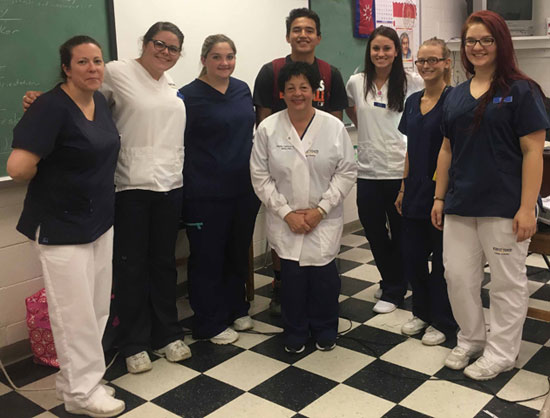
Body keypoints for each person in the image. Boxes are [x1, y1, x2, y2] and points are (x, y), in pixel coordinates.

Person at [24, 22, 191, 374]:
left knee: (163, 263)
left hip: (169, 185)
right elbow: (77, 97)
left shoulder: (171, 84)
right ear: (144, 44)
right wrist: (42, 101)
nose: (165, 52)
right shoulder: (116, 71)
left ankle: (166, 334)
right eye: (159, 44)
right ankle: (133, 342)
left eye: (173, 48)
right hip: (130, 187)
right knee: (131, 269)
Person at [8, 36, 125, 417]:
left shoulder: (100, 102)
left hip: (98, 220)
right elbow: (18, 168)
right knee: (72, 314)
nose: (93, 68)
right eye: (83, 62)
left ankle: (77, 381)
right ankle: (81, 394)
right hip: (60, 226)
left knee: (94, 310)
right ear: (66, 68)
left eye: (98, 61)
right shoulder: (49, 107)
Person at [431, 11, 549, 381]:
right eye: (470, 41)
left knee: (506, 283)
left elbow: (534, 151)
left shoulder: (521, 90)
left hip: (504, 206)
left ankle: (501, 353)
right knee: (458, 277)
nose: (477, 47)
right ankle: (470, 338)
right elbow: (447, 148)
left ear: (500, 43)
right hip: (461, 204)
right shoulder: (455, 96)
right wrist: (438, 197)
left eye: (485, 40)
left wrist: (527, 208)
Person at [250, 61, 357, 353]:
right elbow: (260, 175)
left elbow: (346, 171)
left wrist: (320, 210)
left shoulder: (333, 127)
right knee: (293, 279)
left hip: (323, 218)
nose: (298, 93)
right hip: (286, 220)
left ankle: (325, 328)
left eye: (304, 87)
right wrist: (286, 213)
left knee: (324, 279)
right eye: (290, 88)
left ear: (315, 91)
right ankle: (295, 330)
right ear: (282, 94)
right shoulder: (269, 129)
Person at [253, 7, 348, 315]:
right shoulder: (271, 71)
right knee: (286, 242)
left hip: (322, 177)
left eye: (309, 30)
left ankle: (320, 306)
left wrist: (320, 207)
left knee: (321, 262)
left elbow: (333, 127)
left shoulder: (331, 73)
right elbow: (265, 123)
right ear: (288, 36)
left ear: (318, 37)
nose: (303, 35)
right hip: (282, 167)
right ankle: (282, 287)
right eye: (297, 29)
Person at [179, 34, 260, 344]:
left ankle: (236, 307)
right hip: (205, 192)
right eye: (216, 57)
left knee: (236, 252)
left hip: (243, 188)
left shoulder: (242, 89)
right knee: (207, 256)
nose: (224, 63)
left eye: (229, 56)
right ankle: (209, 321)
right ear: (203, 60)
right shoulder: (187, 97)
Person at [346, 25, 423, 314]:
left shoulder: (413, 82)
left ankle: (393, 288)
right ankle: (394, 279)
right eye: (376, 48)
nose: (381, 53)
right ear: (370, 52)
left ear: (397, 51)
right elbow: (354, 112)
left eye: (387, 48)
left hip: (400, 170)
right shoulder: (356, 82)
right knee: (375, 232)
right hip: (367, 170)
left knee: (402, 233)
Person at [394, 37, 457, 346]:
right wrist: (403, 188)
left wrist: (441, 196)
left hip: (444, 193)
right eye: (422, 61)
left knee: (443, 263)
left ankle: (444, 321)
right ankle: (422, 312)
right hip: (416, 190)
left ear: (447, 62)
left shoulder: (455, 100)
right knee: (412, 256)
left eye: (433, 60)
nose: (427, 66)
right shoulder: (412, 101)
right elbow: (410, 149)